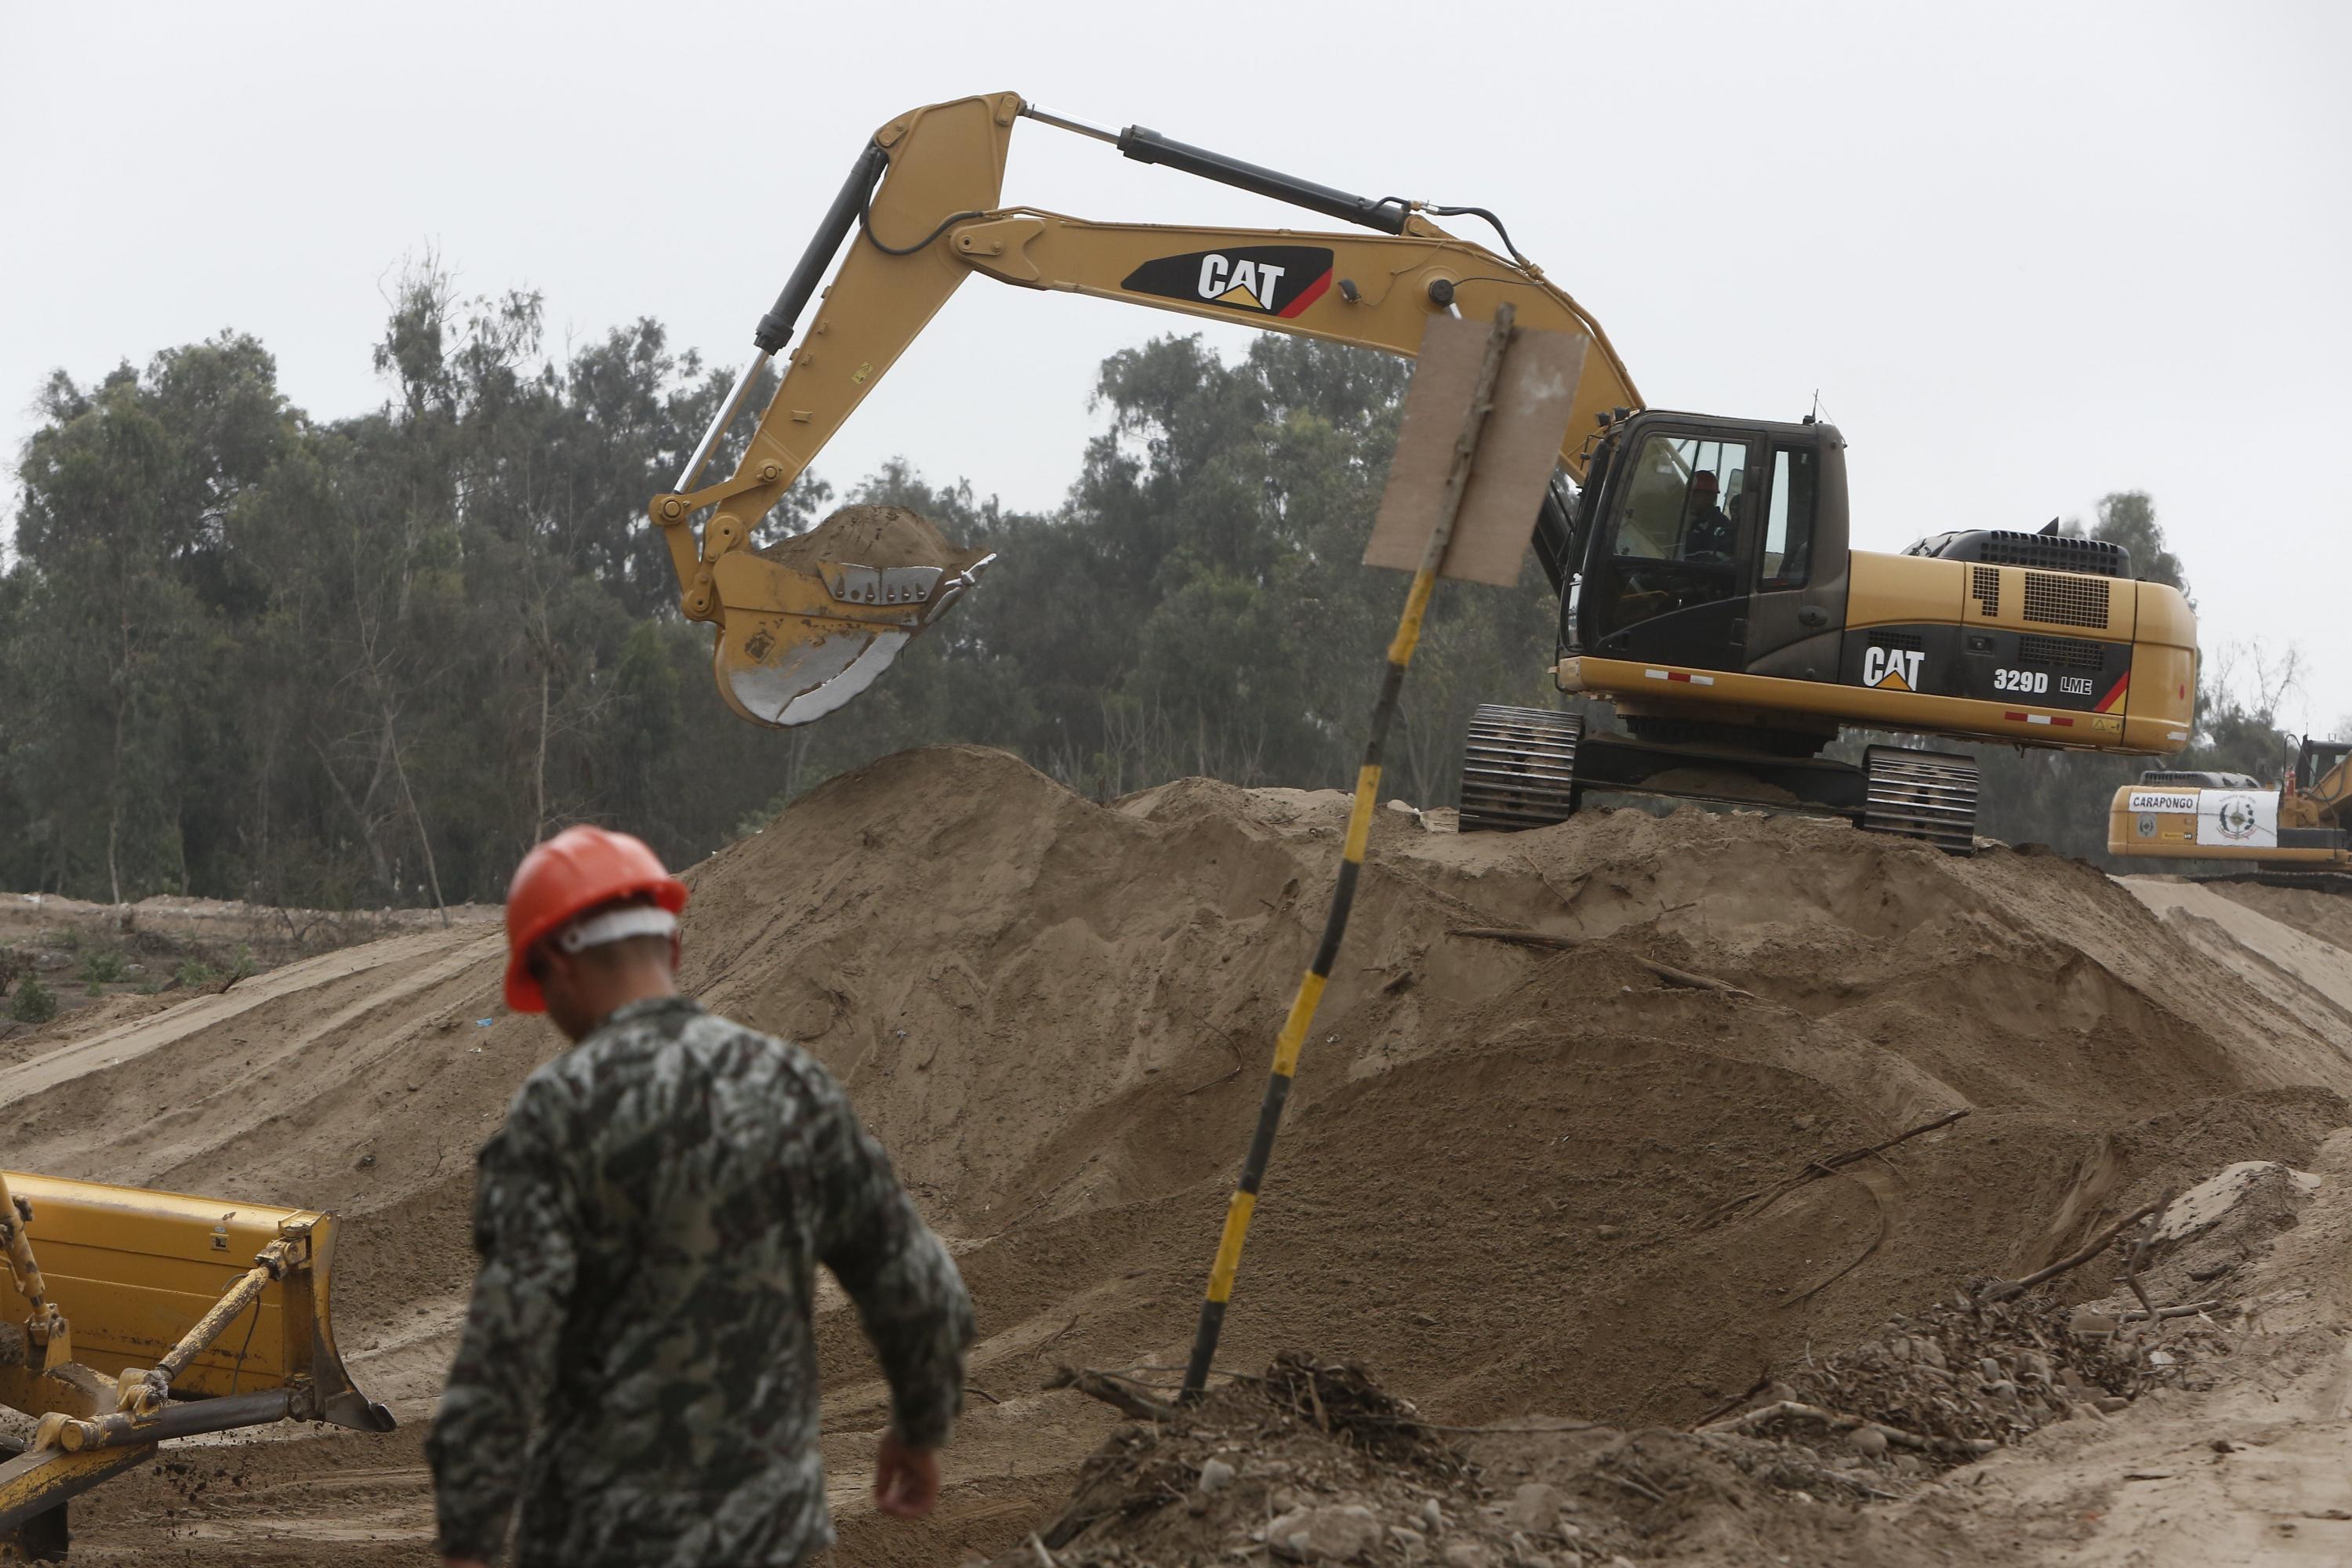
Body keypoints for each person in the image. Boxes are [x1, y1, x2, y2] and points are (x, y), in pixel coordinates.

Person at [427, 825, 974, 1568]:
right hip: (776, 1540)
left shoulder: (558, 1112)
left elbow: (505, 1349)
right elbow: (922, 1292)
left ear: (554, 964)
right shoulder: (793, 1089)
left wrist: (469, 1538)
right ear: (673, 951)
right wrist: (918, 1430)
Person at [1679, 470, 1737, 561]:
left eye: (1696, 495)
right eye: (1688, 494)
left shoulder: (1721, 529)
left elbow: (1716, 562)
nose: (1690, 499)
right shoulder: (1692, 524)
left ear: (1711, 497)